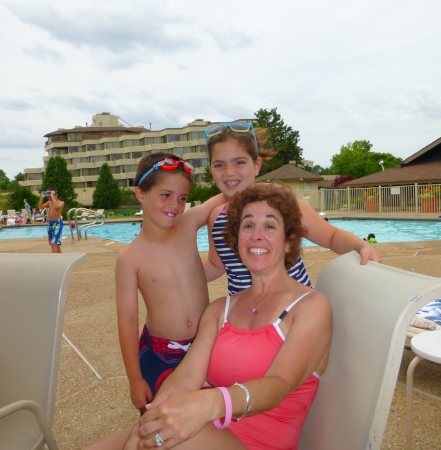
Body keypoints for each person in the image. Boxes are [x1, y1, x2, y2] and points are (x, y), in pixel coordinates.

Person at [87, 185, 332, 450]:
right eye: (247, 226)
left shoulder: (311, 307)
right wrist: (158, 411)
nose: (256, 236)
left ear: (289, 241)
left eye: (270, 227)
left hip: (256, 441)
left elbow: (279, 385)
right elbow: (187, 374)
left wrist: (211, 404)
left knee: (160, 442)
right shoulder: (219, 310)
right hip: (202, 426)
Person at [202, 123, 380, 295]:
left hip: (293, 310)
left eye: (239, 162)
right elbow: (216, 265)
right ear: (210, 170)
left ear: (257, 165)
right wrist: (176, 275)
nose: (229, 172)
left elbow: (332, 237)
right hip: (245, 316)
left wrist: (361, 245)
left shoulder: (284, 206)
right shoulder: (216, 218)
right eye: (219, 165)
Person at [116, 153, 227, 413]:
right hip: (160, 352)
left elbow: (223, 196)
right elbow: (127, 320)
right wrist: (134, 379)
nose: (175, 205)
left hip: (205, 343)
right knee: (162, 419)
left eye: (182, 198)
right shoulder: (130, 258)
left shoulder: (187, 225)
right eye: (165, 195)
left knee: (204, 417)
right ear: (141, 194)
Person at [39, 188, 65, 253]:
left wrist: (52, 196)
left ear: (56, 195)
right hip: (50, 223)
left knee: (54, 243)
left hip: (57, 224)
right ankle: (60, 258)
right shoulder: (49, 202)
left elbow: (56, 206)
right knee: (53, 243)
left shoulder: (61, 203)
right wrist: (42, 198)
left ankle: (54, 260)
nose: (49, 198)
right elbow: (40, 207)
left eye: (50, 196)